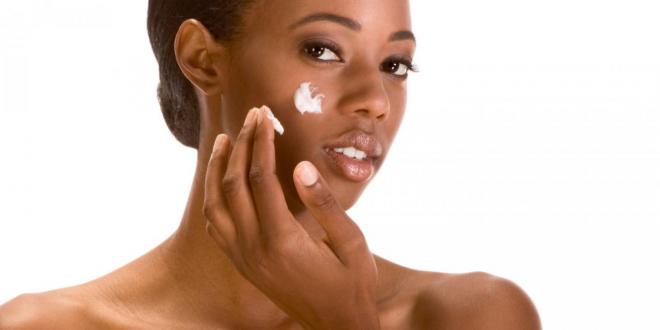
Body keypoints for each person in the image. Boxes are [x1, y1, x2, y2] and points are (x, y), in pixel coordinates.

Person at [0, 0, 541, 328]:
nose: (375, 99)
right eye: (324, 50)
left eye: (395, 64)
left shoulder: (473, 317)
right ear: (202, 59)